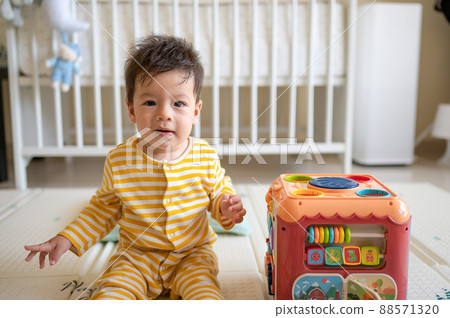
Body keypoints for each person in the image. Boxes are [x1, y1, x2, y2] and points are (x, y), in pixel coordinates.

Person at [24, 34, 246, 300]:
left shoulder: (205, 156)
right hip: (135, 257)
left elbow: (219, 194)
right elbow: (103, 209)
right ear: (131, 110)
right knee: (110, 296)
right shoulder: (120, 160)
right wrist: (68, 237)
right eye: (150, 102)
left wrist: (226, 206)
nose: (164, 114)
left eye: (179, 103)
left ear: (195, 112)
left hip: (192, 256)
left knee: (206, 297)